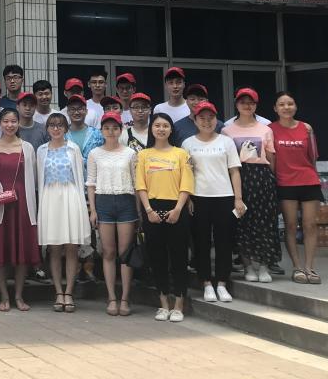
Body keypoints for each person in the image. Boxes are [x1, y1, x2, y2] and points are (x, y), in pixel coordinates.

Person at [181, 101, 244, 303]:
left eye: (210, 118)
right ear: (195, 120)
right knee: (201, 242)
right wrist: (188, 198)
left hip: (224, 197)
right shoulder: (188, 143)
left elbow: (234, 171)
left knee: (224, 241)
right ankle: (206, 282)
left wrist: (238, 198)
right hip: (198, 198)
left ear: (216, 120)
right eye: (202, 118)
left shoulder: (226, 142)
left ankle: (222, 283)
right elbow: (185, 174)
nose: (206, 122)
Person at [135, 113, 194, 322]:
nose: (161, 129)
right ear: (152, 129)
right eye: (157, 125)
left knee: (179, 257)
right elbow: (140, 185)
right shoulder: (144, 155)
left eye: (165, 126)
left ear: (171, 129)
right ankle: (163, 304)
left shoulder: (181, 154)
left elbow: (186, 184)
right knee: (157, 258)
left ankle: (178, 304)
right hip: (152, 209)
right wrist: (148, 210)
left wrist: (178, 209)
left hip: (176, 208)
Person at [0, 108, 39, 312]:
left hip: (23, 204)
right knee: (0, 251)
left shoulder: (27, 148)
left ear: (18, 123)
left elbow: (33, 177)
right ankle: (4, 296)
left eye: (14, 121)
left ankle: (19, 295)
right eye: (6, 121)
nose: (10, 125)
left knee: (21, 250)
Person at [222, 88, 279, 284]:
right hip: (238, 177)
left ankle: (263, 265)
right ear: (236, 104)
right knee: (242, 223)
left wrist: (271, 179)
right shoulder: (227, 130)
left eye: (251, 102)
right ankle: (247, 266)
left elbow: (271, 158)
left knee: (264, 223)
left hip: (261, 178)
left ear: (256, 105)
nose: (247, 106)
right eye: (243, 102)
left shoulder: (265, 129)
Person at [86, 112, 138, 317]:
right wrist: (93, 210)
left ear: (121, 130)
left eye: (115, 128)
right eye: (107, 128)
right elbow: (91, 183)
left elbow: (136, 183)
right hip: (103, 201)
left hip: (126, 201)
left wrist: (139, 211)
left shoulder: (130, 153)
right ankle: (111, 297)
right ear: (101, 131)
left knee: (125, 253)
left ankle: (125, 298)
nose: (111, 131)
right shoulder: (95, 153)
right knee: (108, 252)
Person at [37, 113, 89, 313]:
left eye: (60, 125)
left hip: (70, 197)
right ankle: (58, 291)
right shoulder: (41, 150)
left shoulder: (73, 149)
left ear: (66, 128)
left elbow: (80, 177)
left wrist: (83, 204)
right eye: (52, 125)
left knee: (71, 247)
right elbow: (39, 178)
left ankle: (69, 292)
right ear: (47, 129)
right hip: (50, 198)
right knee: (54, 248)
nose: (56, 129)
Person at [270, 91, 323, 285]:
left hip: (308, 181)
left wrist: (315, 177)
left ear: (296, 106)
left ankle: (310, 267)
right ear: (275, 108)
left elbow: (313, 156)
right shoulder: (270, 130)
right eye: (282, 104)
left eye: (290, 103)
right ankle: (297, 267)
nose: (286, 107)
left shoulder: (306, 128)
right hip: (285, 183)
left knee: (310, 225)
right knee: (290, 225)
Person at [65, 95, 103, 171]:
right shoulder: (62, 135)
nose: (76, 112)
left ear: (86, 111)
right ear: (67, 112)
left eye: (80, 109)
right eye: (72, 109)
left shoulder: (97, 134)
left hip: (92, 177)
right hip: (69, 177)